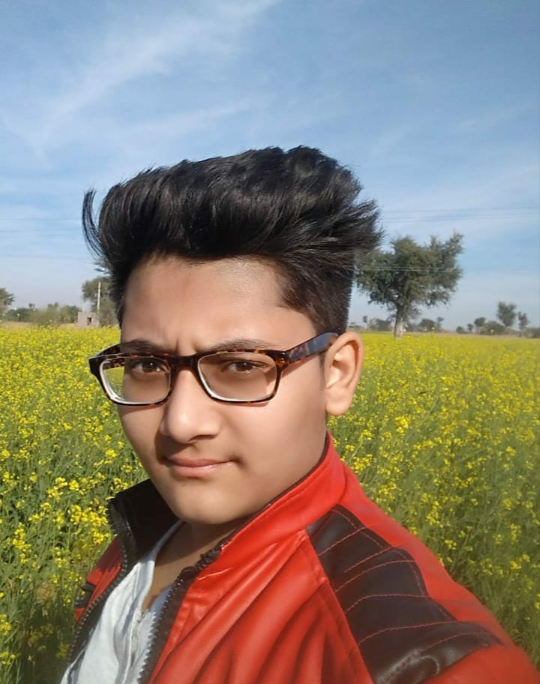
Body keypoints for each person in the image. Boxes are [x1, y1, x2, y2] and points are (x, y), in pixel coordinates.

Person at [61, 147, 539, 684]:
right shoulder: (147, 527)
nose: (180, 423)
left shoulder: (412, 657)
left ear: (337, 374)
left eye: (242, 365)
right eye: (147, 364)